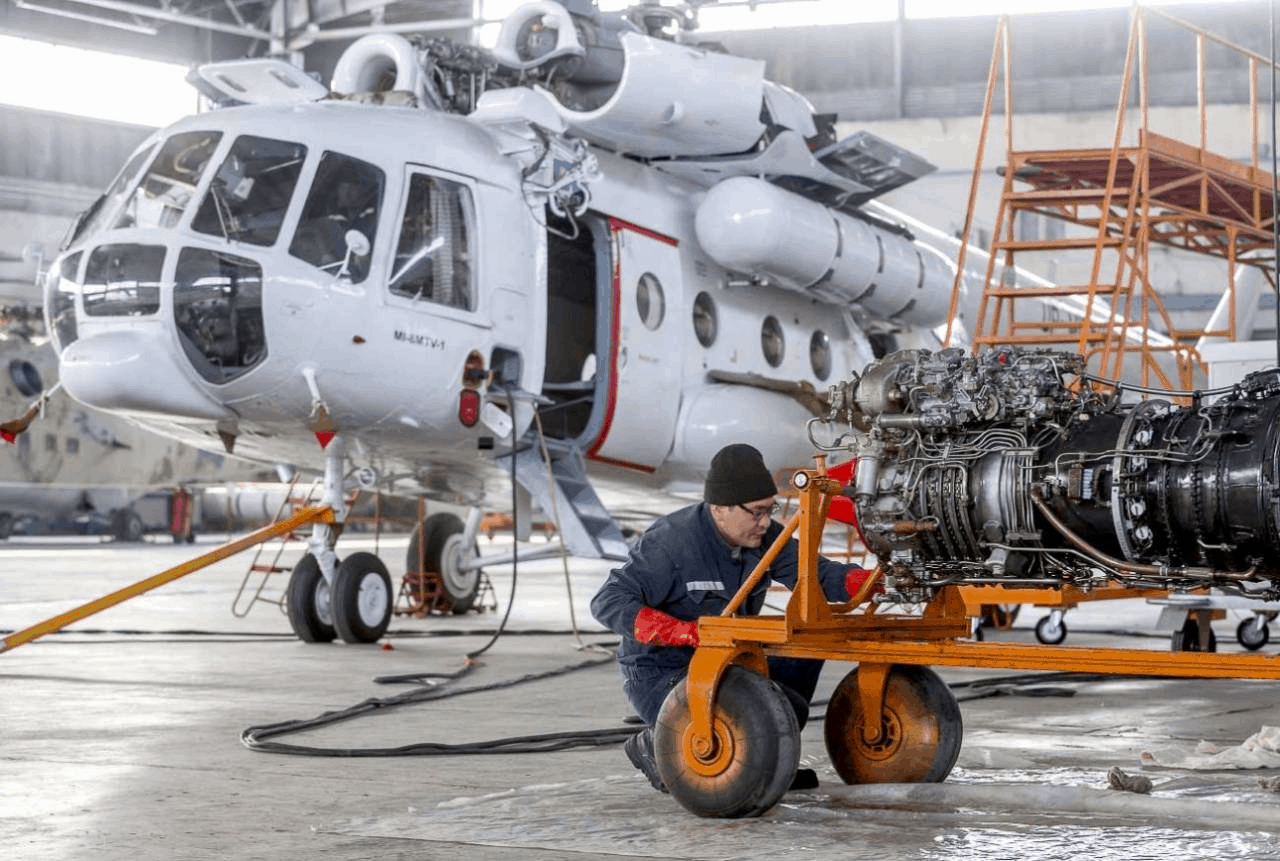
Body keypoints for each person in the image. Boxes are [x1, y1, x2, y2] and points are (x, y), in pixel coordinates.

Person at [590, 442, 874, 794]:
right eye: (756, 512)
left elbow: (814, 574)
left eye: (770, 511)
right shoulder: (671, 542)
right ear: (721, 508)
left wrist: (864, 582)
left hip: (732, 662)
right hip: (662, 673)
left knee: (804, 658)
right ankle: (657, 743)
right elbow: (607, 600)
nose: (765, 522)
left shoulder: (766, 538)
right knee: (755, 709)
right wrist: (675, 630)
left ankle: (766, 758)